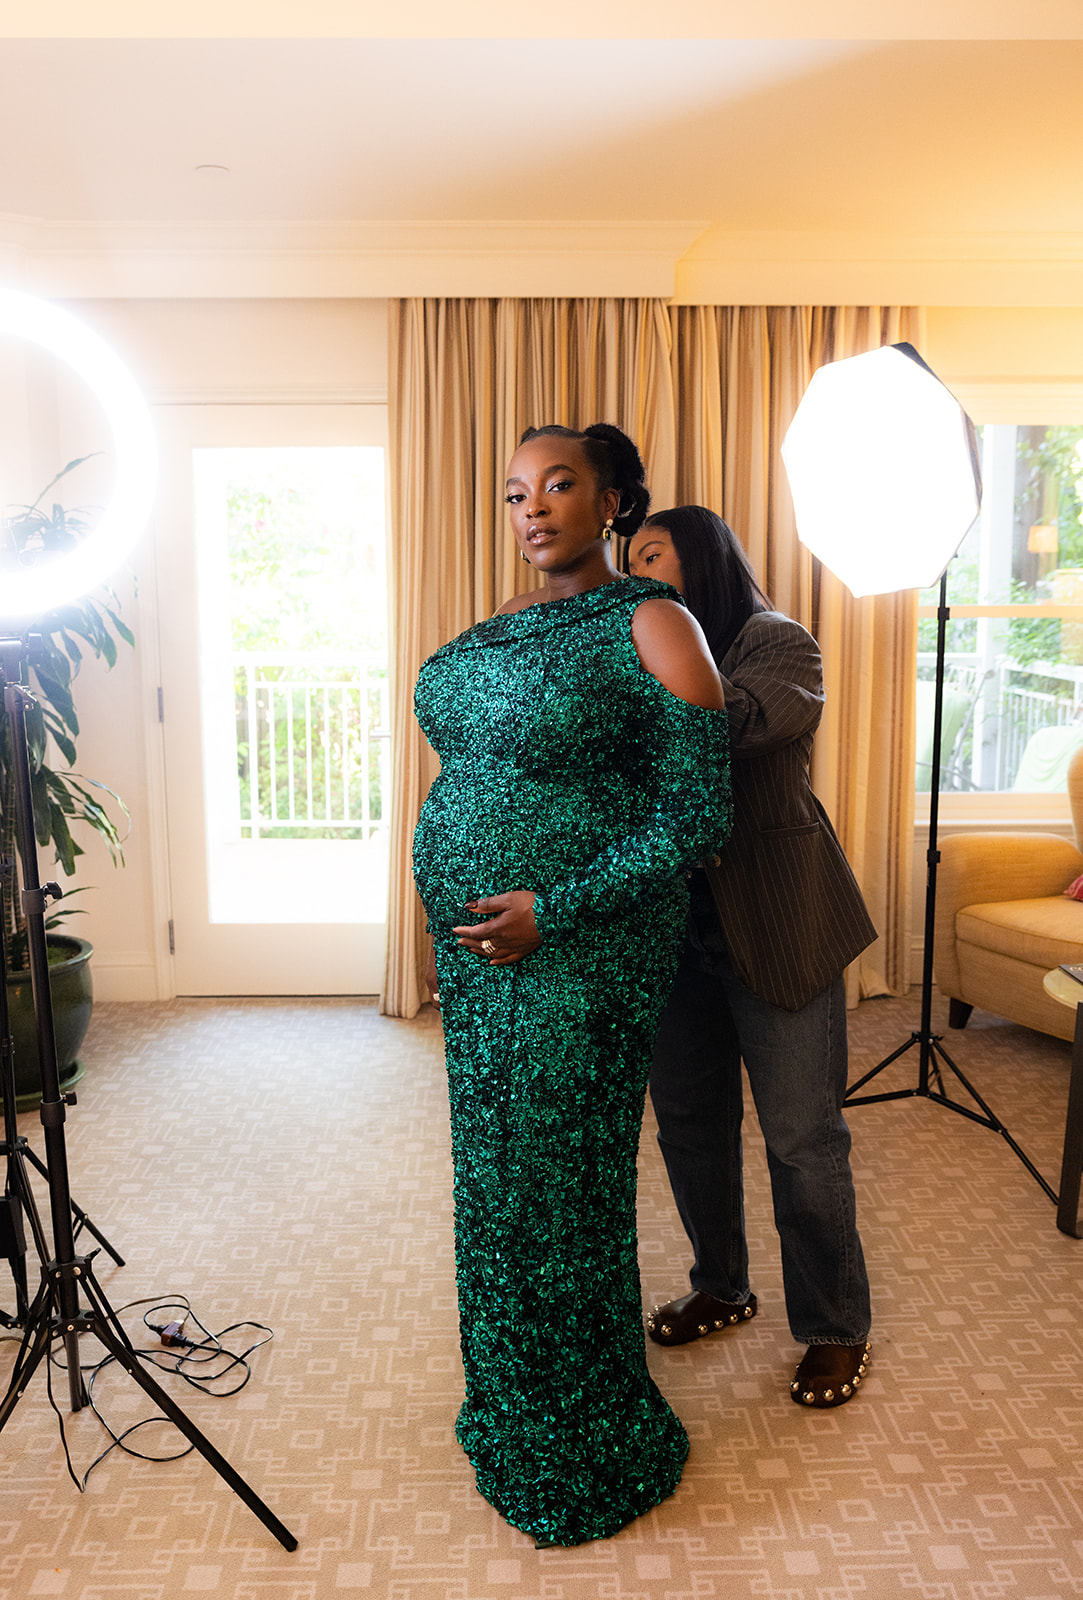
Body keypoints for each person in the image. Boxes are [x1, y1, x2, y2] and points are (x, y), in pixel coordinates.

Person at [412, 427, 732, 1546]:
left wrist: (556, 908)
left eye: (557, 485)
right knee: (494, 1177)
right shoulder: (496, 631)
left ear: (611, 503)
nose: (533, 508)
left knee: (560, 1184)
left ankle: (582, 1433)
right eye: (514, 492)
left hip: (584, 951)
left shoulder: (653, 620)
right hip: (480, 959)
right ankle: (508, 1404)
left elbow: (698, 814)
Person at [626, 506, 875, 1409]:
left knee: (803, 1141)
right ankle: (721, 1285)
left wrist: (621, 702)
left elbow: (729, 723)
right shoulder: (637, 652)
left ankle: (835, 1325)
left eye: (653, 552)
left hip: (779, 925)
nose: (637, 571)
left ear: (703, 557)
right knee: (689, 1128)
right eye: (630, 559)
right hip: (673, 936)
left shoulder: (777, 642)